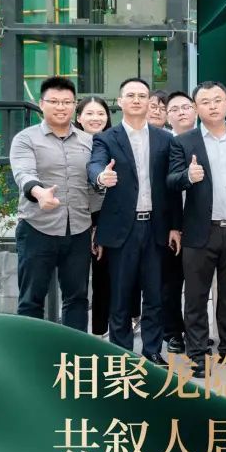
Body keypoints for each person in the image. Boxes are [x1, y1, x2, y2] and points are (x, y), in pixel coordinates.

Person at [87, 77, 182, 365]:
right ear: (120, 101)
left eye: (142, 95)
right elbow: (95, 164)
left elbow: (171, 187)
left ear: (150, 102)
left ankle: (152, 350)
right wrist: (101, 177)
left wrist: (175, 226)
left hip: (156, 227)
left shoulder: (165, 139)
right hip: (121, 231)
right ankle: (122, 354)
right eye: (131, 95)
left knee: (155, 294)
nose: (137, 100)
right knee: (121, 296)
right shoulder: (106, 138)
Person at [167, 82, 226, 377]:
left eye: (218, 100)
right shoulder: (184, 142)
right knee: (195, 296)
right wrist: (187, 176)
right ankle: (197, 353)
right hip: (199, 231)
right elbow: (170, 181)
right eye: (205, 102)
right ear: (196, 108)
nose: (213, 106)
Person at [10, 77, 97, 332]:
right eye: (54, 101)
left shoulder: (88, 141)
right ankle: (32, 352)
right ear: (41, 104)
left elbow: (94, 186)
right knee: (31, 300)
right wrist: (39, 193)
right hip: (37, 228)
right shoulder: (25, 139)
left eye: (67, 102)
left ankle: (73, 352)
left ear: (74, 105)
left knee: (77, 298)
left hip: (79, 229)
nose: (61, 107)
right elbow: (23, 173)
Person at [161, 89, 195, 354]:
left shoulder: (207, 139)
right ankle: (173, 332)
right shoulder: (162, 144)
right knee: (171, 283)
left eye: (185, 107)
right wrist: (174, 224)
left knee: (198, 285)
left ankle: (196, 332)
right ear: (166, 115)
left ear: (195, 110)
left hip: (203, 223)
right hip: (170, 225)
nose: (181, 113)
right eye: (174, 109)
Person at [75, 97, 112, 337]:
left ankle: (99, 331)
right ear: (78, 117)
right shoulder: (71, 143)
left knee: (103, 279)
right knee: (77, 282)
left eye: (100, 113)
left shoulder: (113, 141)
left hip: (104, 217)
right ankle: (75, 334)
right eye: (89, 113)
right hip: (76, 216)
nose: (95, 118)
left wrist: (100, 225)